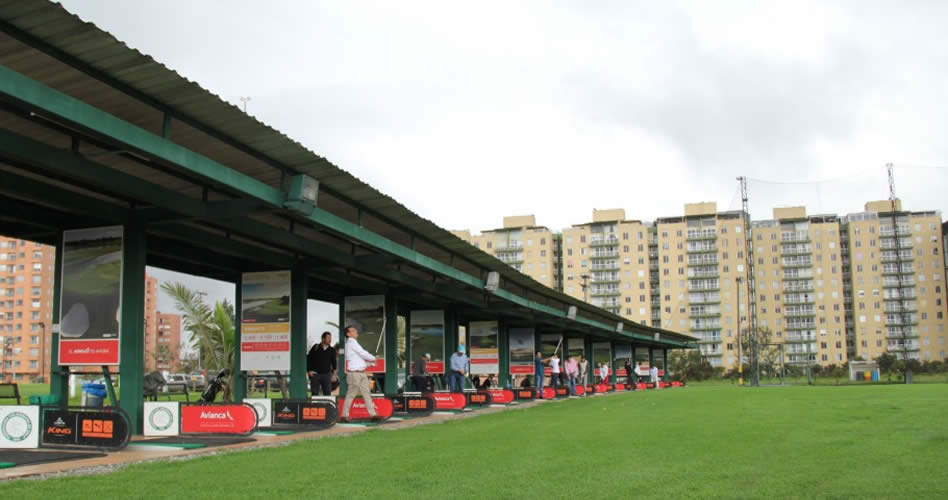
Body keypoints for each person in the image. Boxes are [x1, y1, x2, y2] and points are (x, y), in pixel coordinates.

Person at [340, 325, 378, 421]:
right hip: (354, 374)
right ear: (348, 334)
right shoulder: (351, 343)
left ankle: (372, 414)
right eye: (353, 330)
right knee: (351, 394)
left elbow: (360, 360)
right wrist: (373, 358)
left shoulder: (354, 343)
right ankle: (344, 415)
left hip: (361, 373)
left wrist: (370, 363)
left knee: (366, 393)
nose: (356, 331)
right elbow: (362, 353)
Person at [307, 331, 337, 396]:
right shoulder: (316, 347)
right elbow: (309, 358)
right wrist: (309, 370)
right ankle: (315, 406)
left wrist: (334, 375)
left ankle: (327, 406)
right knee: (314, 393)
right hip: (315, 374)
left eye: (330, 338)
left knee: (327, 393)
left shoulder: (331, 350)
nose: (330, 340)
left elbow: (334, 363)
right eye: (328, 338)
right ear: (323, 339)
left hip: (326, 375)